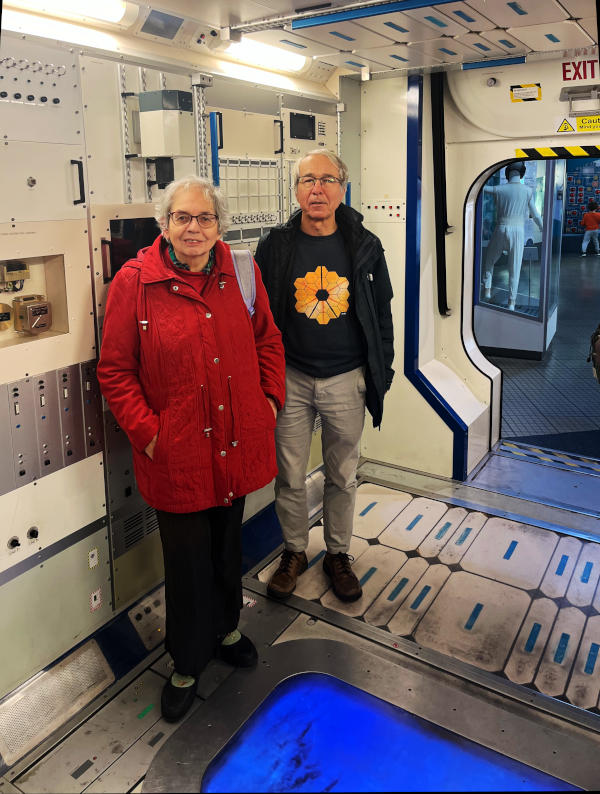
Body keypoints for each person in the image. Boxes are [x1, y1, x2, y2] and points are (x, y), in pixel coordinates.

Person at [97, 176, 285, 723]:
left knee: (228, 545)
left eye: (205, 218)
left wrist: (268, 401)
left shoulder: (241, 272)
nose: (194, 228)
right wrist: (151, 433)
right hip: (175, 453)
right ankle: (185, 662)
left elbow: (267, 340)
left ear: (219, 225)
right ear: (165, 224)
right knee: (184, 563)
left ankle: (227, 630)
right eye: (183, 218)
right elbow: (115, 371)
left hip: (233, 442)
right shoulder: (136, 283)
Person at [255, 150, 394, 603]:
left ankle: (338, 554)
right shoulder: (275, 246)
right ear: (296, 190)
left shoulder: (365, 245)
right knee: (290, 476)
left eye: (327, 180)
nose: (317, 189)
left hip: (346, 378)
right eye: (307, 180)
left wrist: (382, 372)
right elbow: (258, 317)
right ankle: (295, 551)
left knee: (342, 474)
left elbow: (382, 316)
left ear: (343, 188)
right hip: (291, 377)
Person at [482, 162, 543, 311]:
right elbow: (535, 214)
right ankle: (511, 302)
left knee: (489, 260)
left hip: (501, 228)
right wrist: (543, 228)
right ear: (521, 174)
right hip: (518, 231)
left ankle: (487, 291)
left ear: (507, 173)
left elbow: (482, 188)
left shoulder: (499, 189)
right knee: (514, 267)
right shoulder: (528, 191)